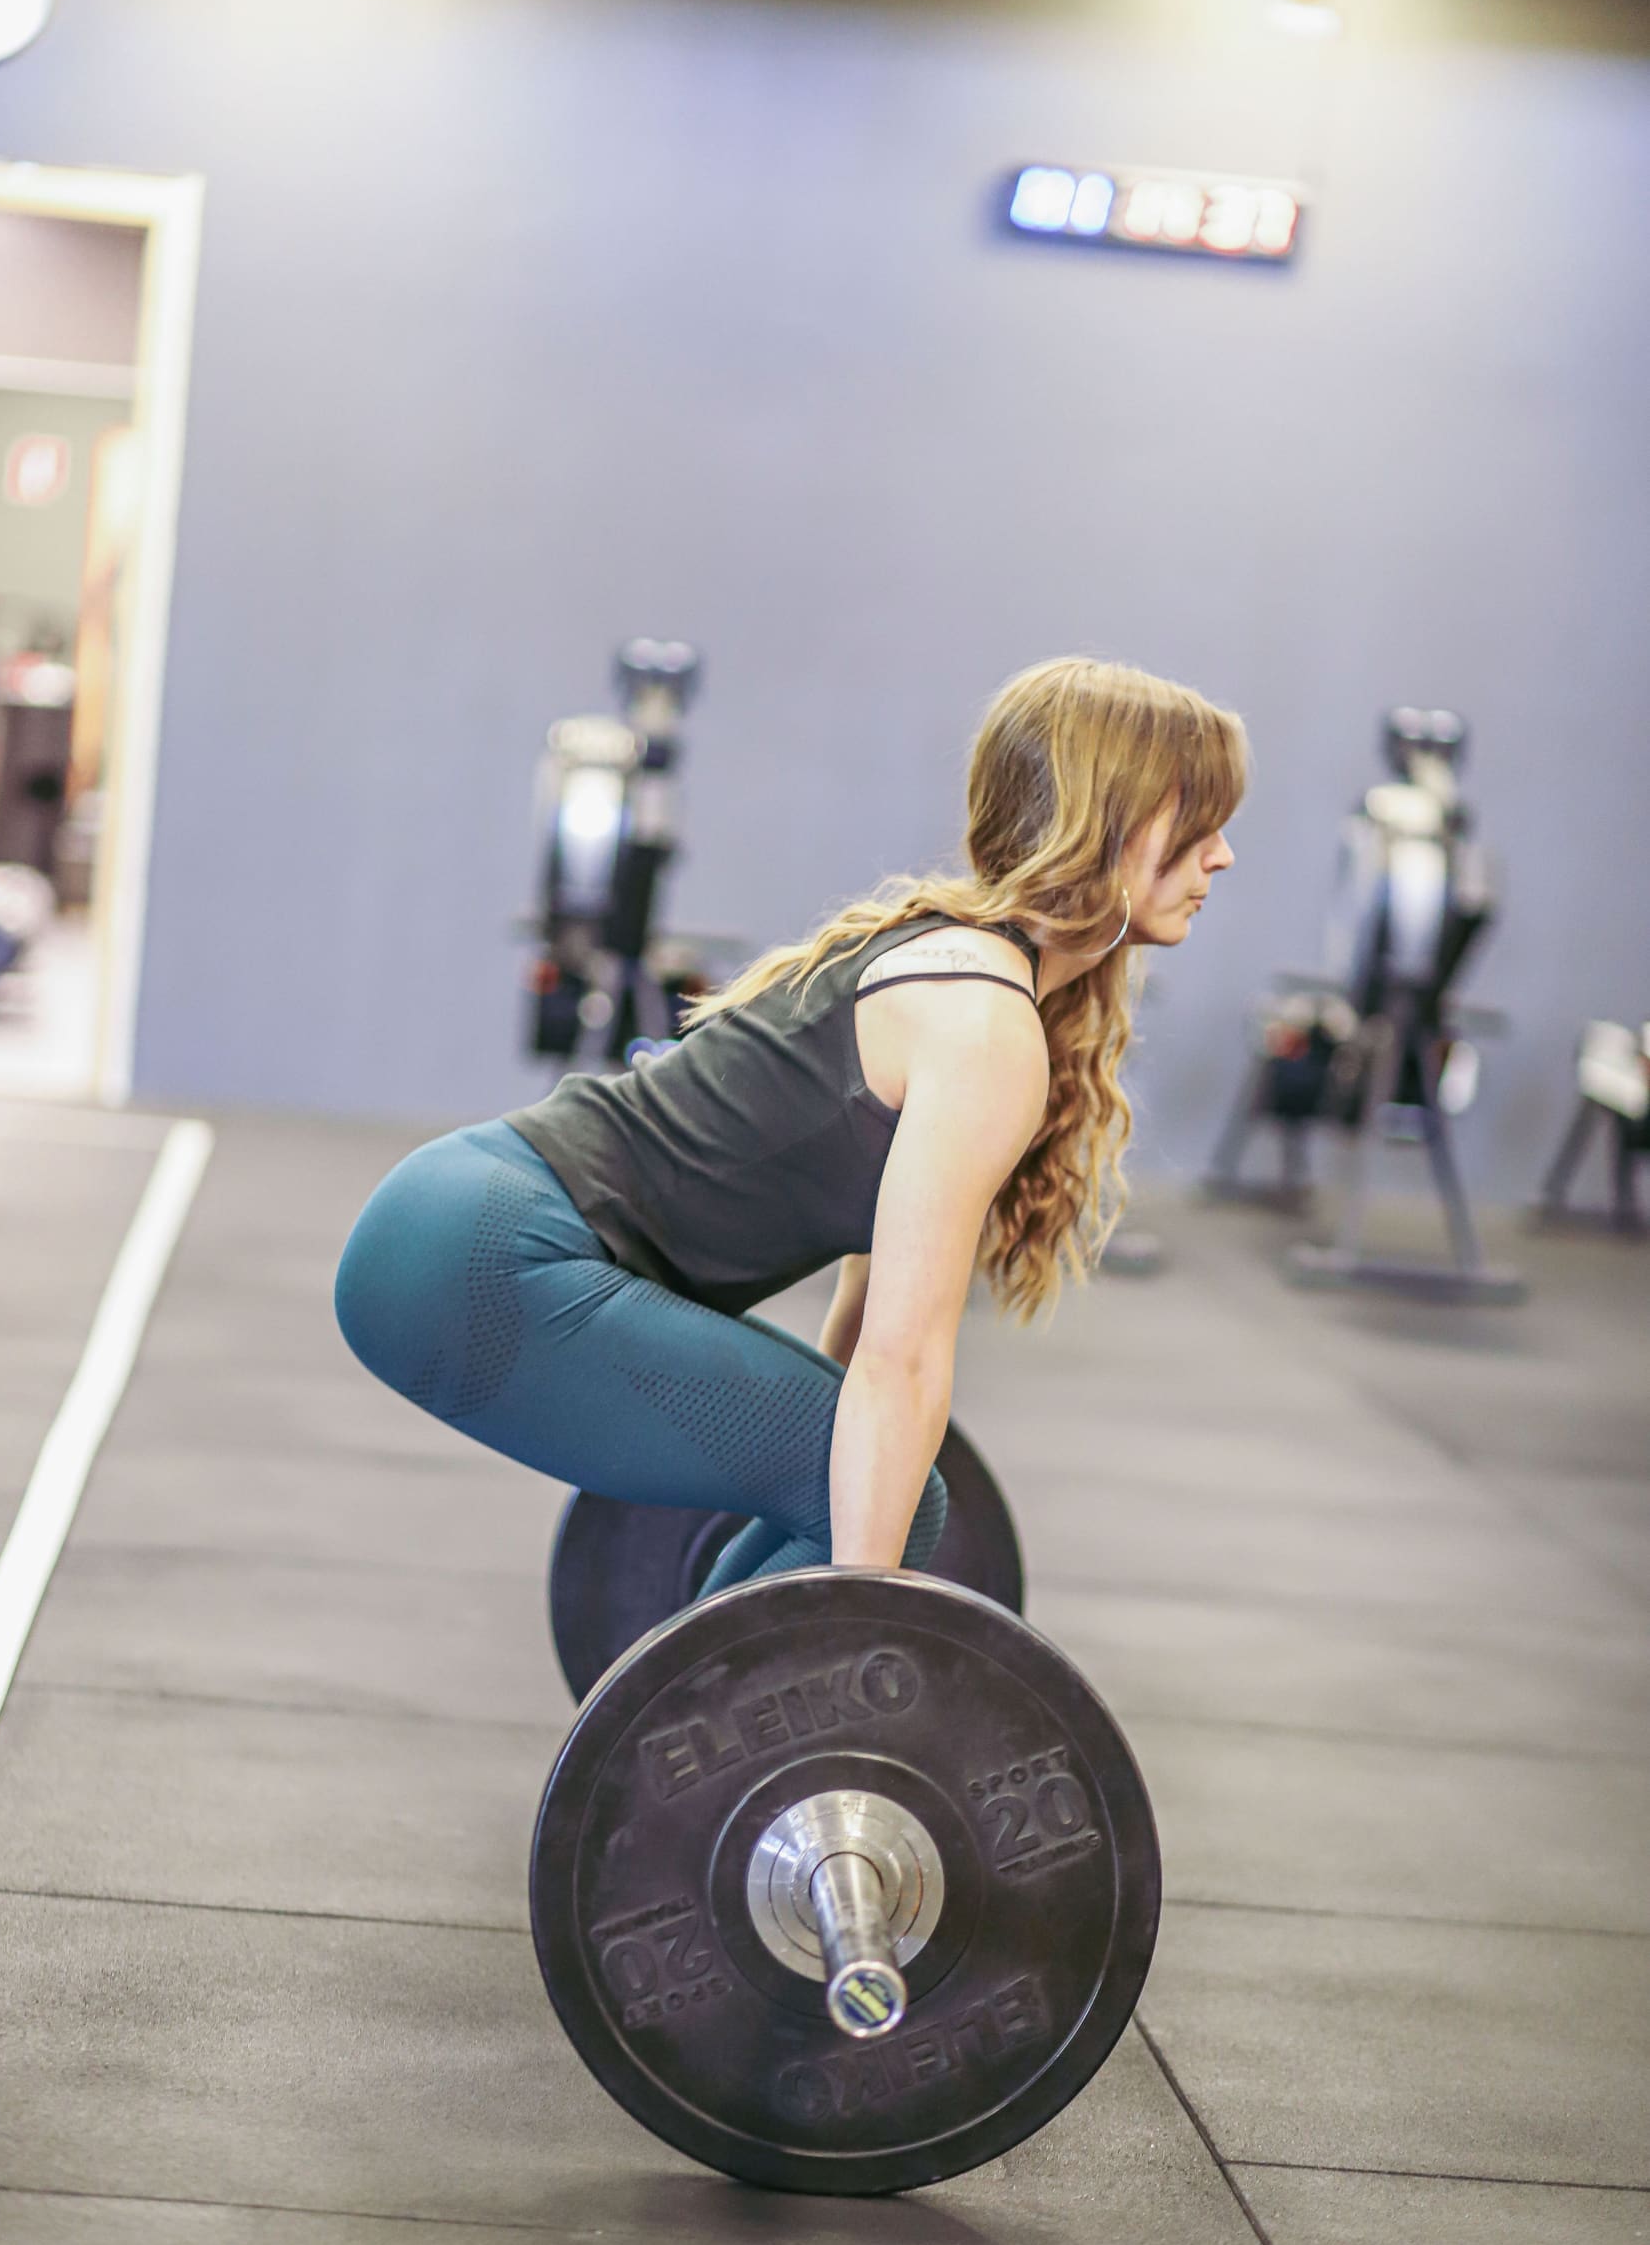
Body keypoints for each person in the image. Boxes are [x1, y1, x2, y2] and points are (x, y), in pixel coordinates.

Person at [335, 656, 1245, 1593]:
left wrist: (809, 1474)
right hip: (483, 1261)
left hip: (456, 1221)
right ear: (1108, 821)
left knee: (853, 1480)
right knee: (895, 1505)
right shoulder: (981, 1025)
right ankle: (682, 1728)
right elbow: (904, 1363)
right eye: (1197, 820)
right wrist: (847, 1600)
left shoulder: (946, 960)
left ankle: (683, 1715)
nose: (1221, 855)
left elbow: (860, 1340)